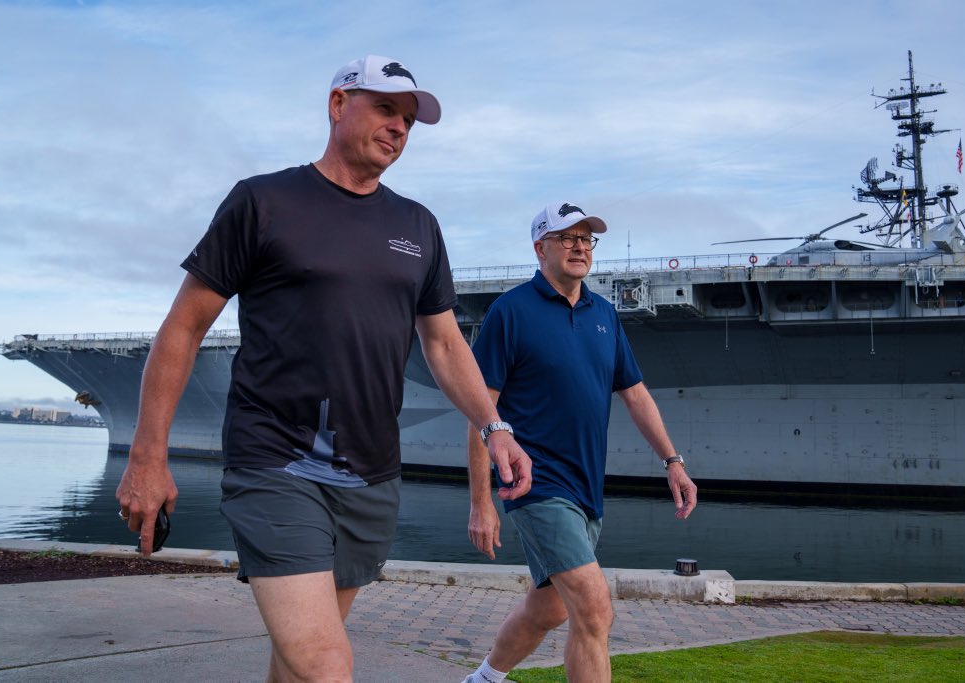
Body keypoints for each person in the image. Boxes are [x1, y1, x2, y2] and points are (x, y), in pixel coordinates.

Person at [115, 55, 532, 683]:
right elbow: (184, 327)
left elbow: (445, 344)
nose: (400, 127)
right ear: (338, 104)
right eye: (386, 108)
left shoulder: (418, 225)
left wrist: (494, 427)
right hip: (275, 461)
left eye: (409, 119)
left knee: (297, 665)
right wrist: (149, 456)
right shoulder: (263, 200)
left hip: (370, 473)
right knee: (326, 664)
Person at [462, 202, 697, 683]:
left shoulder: (604, 313)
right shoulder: (510, 311)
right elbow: (480, 415)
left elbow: (635, 394)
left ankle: (482, 679)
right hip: (535, 484)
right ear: (540, 247)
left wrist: (672, 460)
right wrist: (480, 503)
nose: (579, 247)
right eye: (567, 237)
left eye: (586, 239)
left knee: (549, 609)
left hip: (587, 487)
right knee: (594, 608)